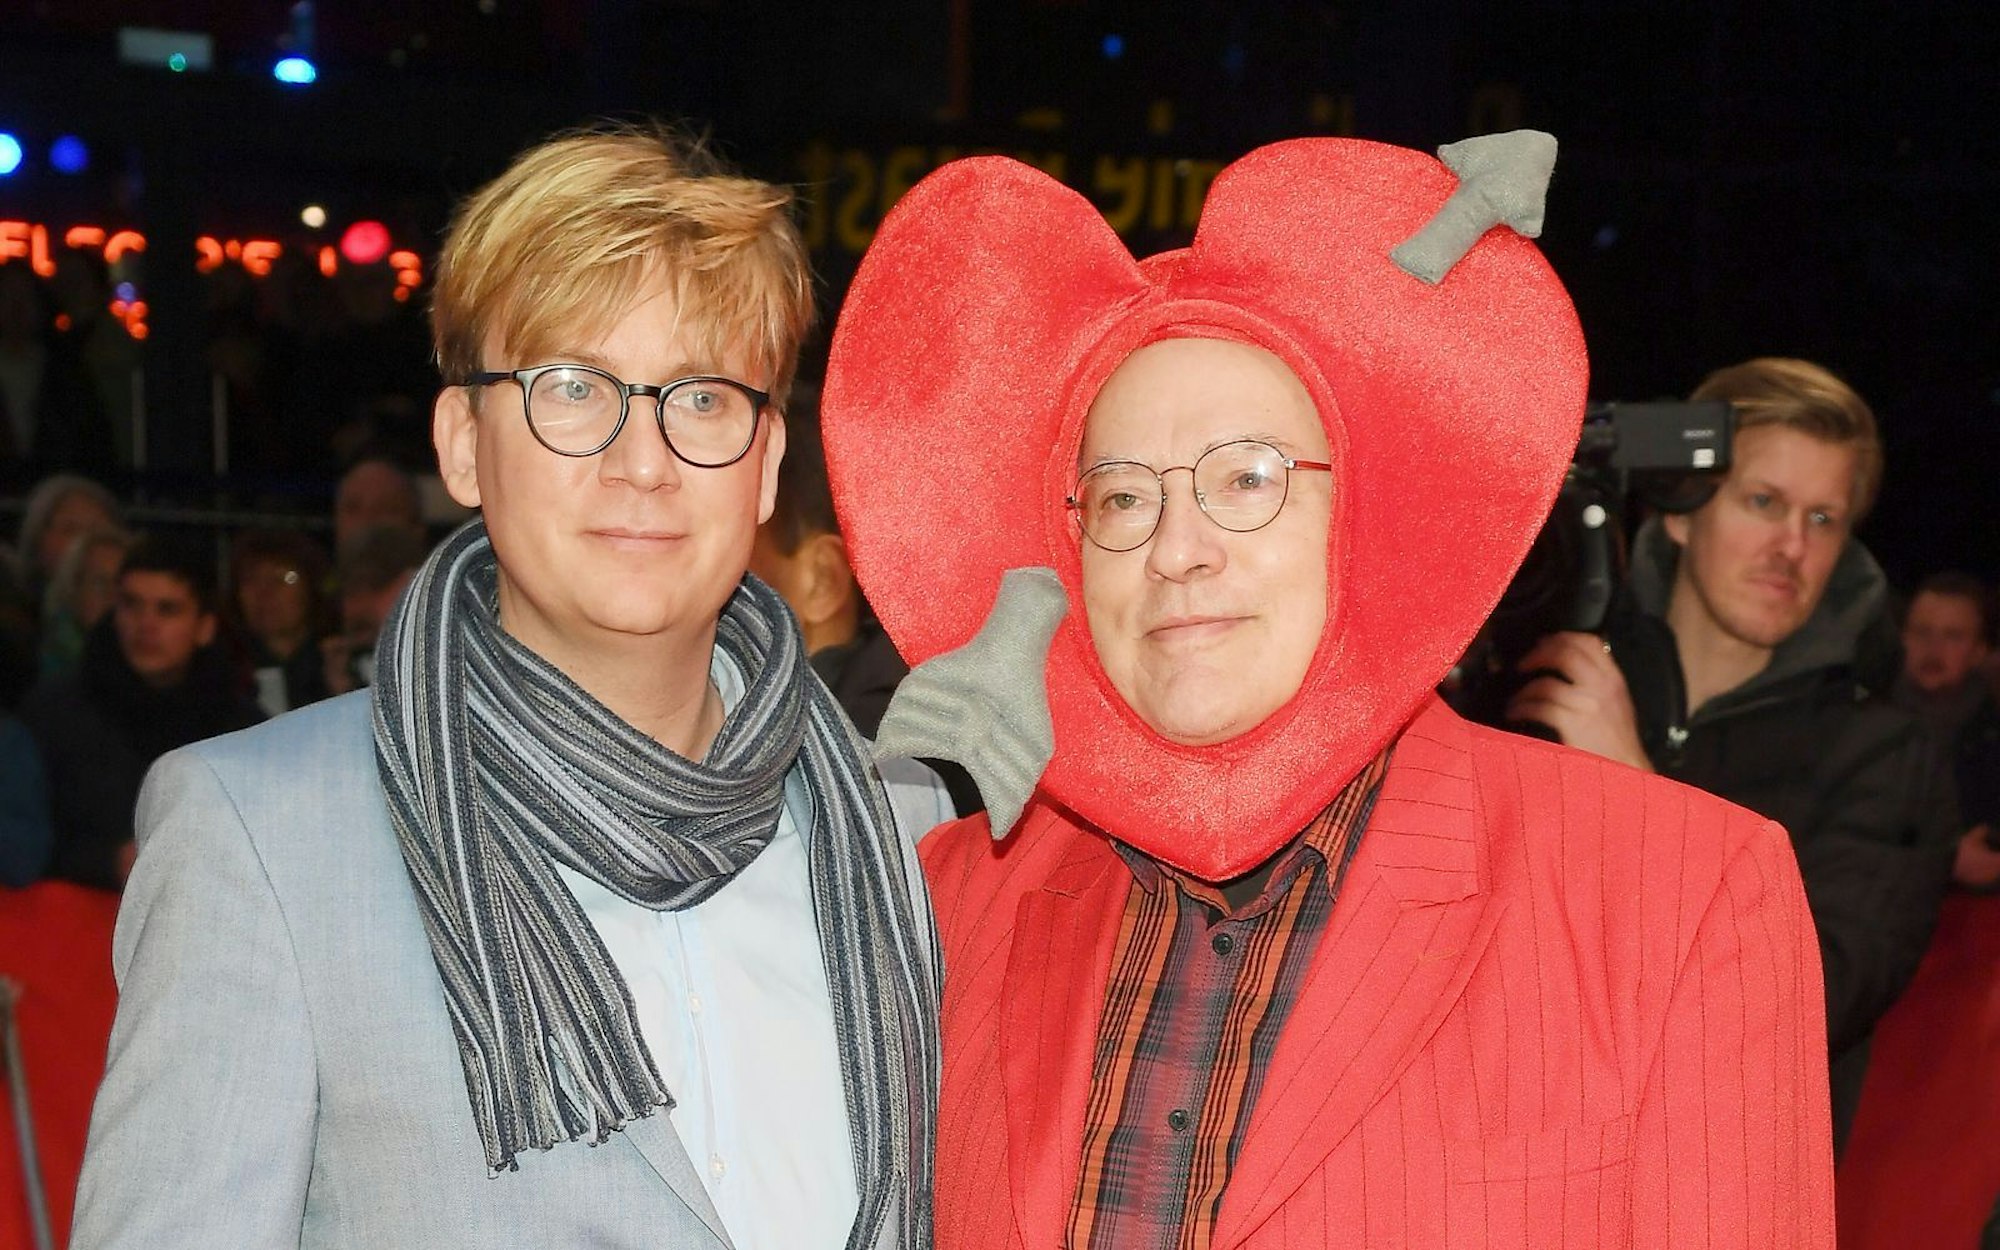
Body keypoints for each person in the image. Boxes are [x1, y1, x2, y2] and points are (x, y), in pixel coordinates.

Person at [822, 135, 1832, 1247]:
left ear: (1361, 517)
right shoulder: (941, 904)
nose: (1176, 548)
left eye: (1245, 478)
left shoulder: (1676, 896)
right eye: (1120, 499)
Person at [70, 123, 937, 1250]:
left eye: (704, 397)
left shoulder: (903, 821)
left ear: (767, 462)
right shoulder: (261, 839)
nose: (644, 459)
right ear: (464, 443)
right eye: (573, 388)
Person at [1507, 356, 1957, 1150]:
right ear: (1681, 511)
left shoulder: (1887, 755)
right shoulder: (1554, 682)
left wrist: (1638, 799)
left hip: (1714, 1197)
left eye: (1823, 519)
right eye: (1763, 502)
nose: (1792, 546)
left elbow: (1818, 999)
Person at [18, 537, 262, 890]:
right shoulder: (53, 715)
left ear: (205, 627)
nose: (146, 624)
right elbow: (21, 840)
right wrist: (106, 862)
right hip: (73, 928)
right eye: (132, 605)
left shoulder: (243, 731)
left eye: (167, 609)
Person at [1893, 571, 2000, 886]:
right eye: (1922, 631)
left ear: (1979, 650)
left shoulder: (1991, 739)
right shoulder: (1856, 724)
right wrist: (1945, 859)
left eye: (1953, 635)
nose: (1934, 648)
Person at [229, 528, 333, 716]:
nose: (264, 592)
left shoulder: (335, 667)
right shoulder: (223, 676)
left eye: (284, 578)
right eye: (251, 580)